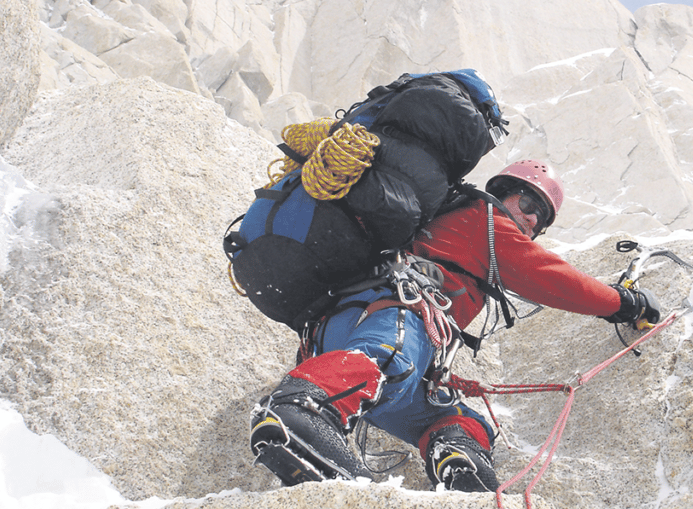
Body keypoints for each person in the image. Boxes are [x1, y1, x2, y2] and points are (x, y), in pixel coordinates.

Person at [250, 159, 661, 492]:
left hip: (347, 339)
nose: (534, 222)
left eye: (543, 220)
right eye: (530, 206)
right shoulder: (484, 219)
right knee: (393, 360)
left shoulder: (460, 224)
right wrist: (623, 303)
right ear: (503, 194)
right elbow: (553, 278)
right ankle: (300, 409)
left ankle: (460, 468)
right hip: (386, 316)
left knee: (456, 419)